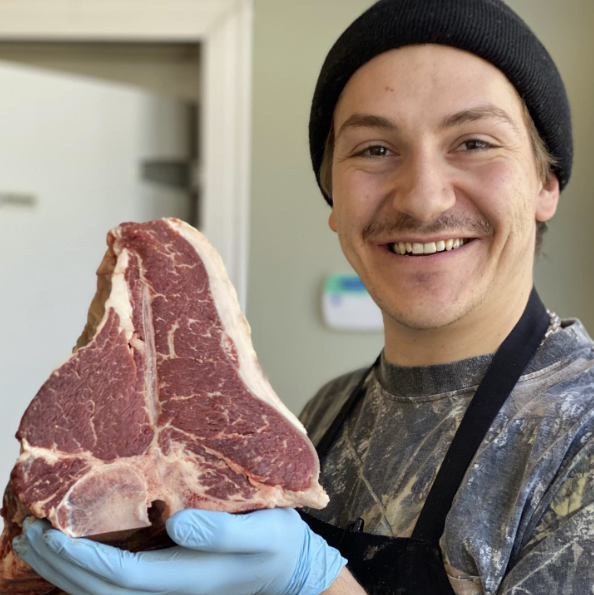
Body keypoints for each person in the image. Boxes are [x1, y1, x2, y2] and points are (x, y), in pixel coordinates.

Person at [13, 0, 594, 594]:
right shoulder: (324, 413)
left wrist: (311, 583)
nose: (423, 199)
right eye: (374, 149)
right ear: (334, 201)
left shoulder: (581, 436)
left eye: (473, 142)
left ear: (546, 182)